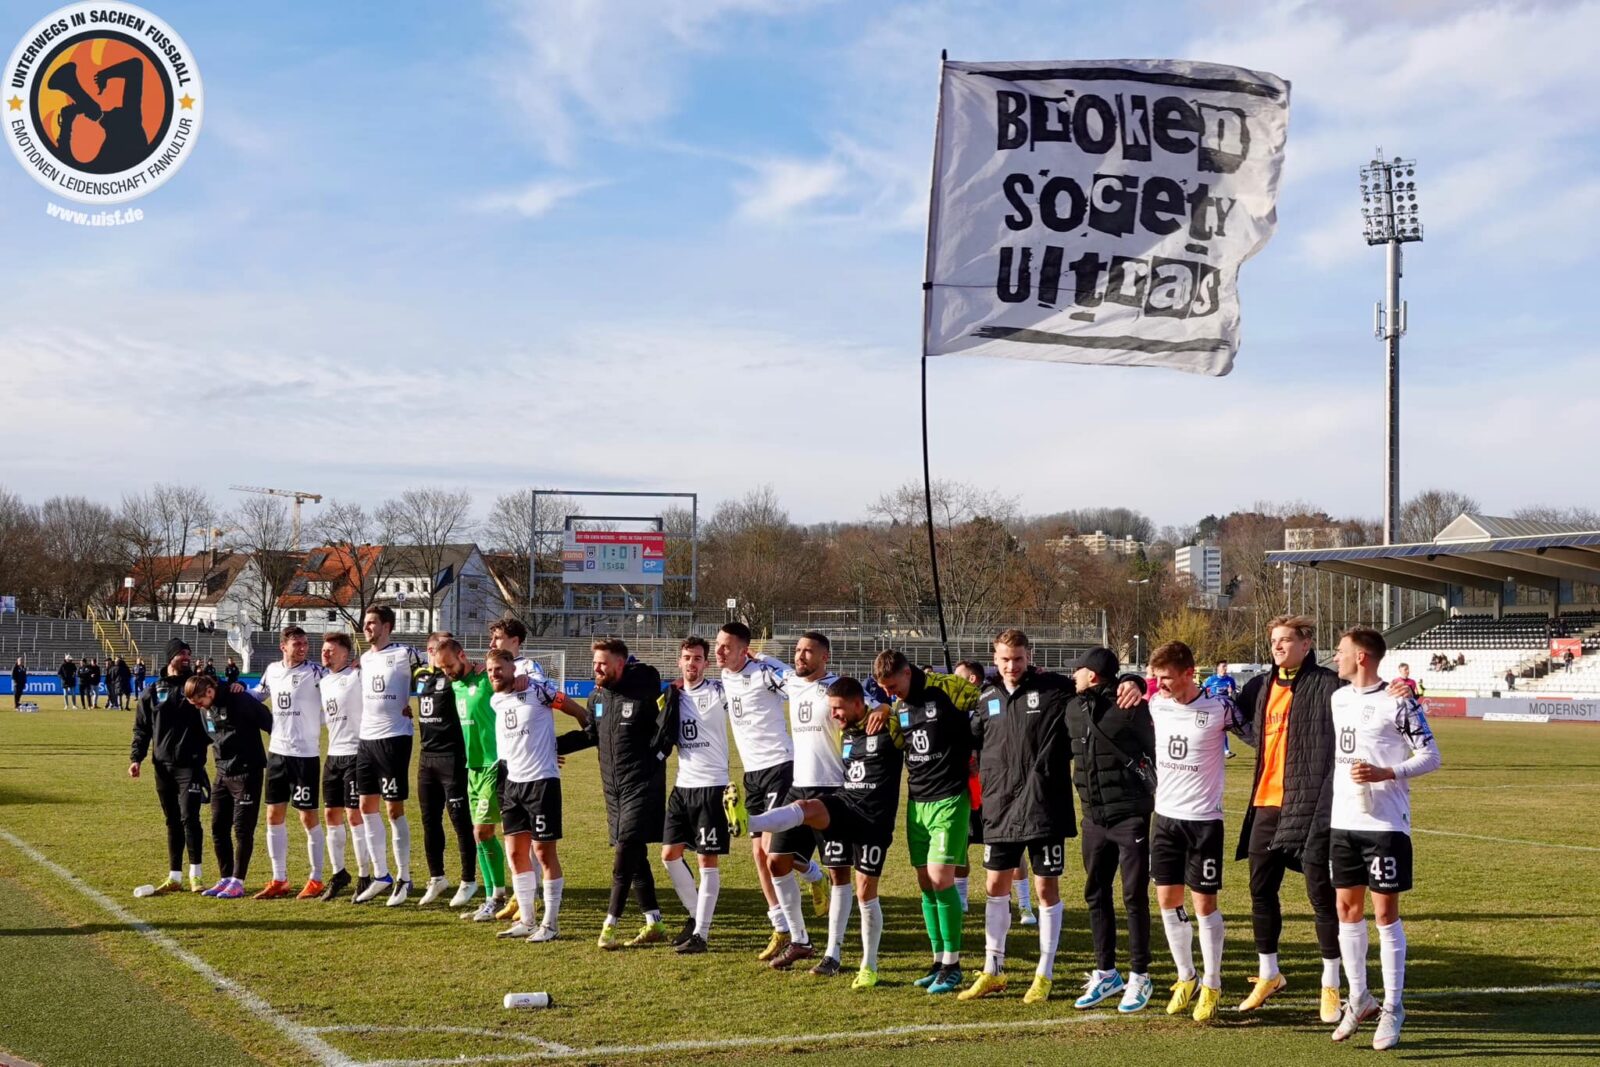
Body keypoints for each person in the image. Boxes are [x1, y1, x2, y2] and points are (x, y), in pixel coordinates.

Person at [959, 629, 1142, 1004]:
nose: (1012, 666)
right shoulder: (986, 697)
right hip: (1000, 809)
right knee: (994, 887)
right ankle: (992, 970)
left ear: (1030, 657)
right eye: (1005, 659)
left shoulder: (1055, 689)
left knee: (1045, 890)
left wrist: (1134, 681)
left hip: (1044, 807)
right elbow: (971, 737)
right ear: (994, 659)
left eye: (1019, 658)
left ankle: (1045, 972)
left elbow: (1099, 682)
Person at [749, 677, 903, 989]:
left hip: (874, 821)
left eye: (837, 709)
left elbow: (908, 710)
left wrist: (888, 708)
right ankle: (751, 822)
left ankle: (868, 965)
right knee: (808, 810)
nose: (833, 715)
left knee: (864, 892)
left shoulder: (889, 727)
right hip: (844, 803)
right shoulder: (846, 733)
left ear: (859, 703)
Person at [1328, 627, 1441, 1051]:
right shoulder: (1338, 698)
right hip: (1343, 819)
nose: (1335, 657)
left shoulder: (1399, 701)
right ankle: (1359, 998)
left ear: (1361, 657)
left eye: (1340, 651)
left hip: (1385, 824)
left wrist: (1385, 772)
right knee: (1345, 909)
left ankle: (1394, 1006)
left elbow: (1431, 755)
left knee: (1384, 915)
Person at [1235, 615, 1346, 1022]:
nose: (1278, 647)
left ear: (1306, 643)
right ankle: (1269, 974)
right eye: (1274, 641)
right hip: (1265, 803)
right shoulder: (1260, 685)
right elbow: (1244, 725)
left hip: (1310, 806)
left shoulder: (1329, 686)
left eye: (1285, 640)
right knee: (1261, 891)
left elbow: (1363, 708)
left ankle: (1331, 983)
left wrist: (1399, 690)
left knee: (1321, 896)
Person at [1147, 641, 1253, 1024]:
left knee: (1204, 905)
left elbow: (1256, 735)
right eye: (1156, 678)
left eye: (1167, 678)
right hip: (1165, 819)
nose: (1161, 685)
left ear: (1190, 673)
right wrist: (1128, 681)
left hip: (1204, 822)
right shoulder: (1155, 703)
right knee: (1167, 900)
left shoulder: (1219, 707)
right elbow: (1127, 691)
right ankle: (1186, 977)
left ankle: (1212, 982)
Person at [761, 632, 869, 973]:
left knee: (839, 873)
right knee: (776, 860)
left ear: (826, 657)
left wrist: (880, 710)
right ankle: (800, 940)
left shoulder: (839, 687)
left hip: (834, 790)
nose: (800, 656)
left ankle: (833, 954)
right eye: (797, 651)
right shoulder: (791, 683)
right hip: (798, 788)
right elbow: (769, 666)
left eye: (809, 651)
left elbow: (871, 705)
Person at [873, 649, 978, 995]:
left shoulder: (948, 687)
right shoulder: (898, 706)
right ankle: (938, 961)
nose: (890, 693)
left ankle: (954, 964)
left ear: (906, 673)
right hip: (917, 802)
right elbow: (897, 741)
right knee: (924, 880)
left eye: (892, 686)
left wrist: (974, 744)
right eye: (883, 689)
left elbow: (990, 702)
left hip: (950, 797)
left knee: (940, 876)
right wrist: (883, 709)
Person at [562, 638, 673, 950]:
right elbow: (591, 735)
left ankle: (610, 925)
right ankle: (655, 922)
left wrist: (658, 758)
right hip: (612, 787)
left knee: (624, 853)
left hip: (642, 784)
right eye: (595, 662)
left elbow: (668, 724)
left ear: (621, 664)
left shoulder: (644, 686)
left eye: (603, 663)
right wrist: (549, 746)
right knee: (635, 856)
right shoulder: (597, 696)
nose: (597, 668)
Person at [1067, 647, 1158, 1014]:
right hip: (1093, 819)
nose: (1073, 675)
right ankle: (1106, 973)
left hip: (1130, 816)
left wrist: (1135, 683)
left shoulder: (1131, 707)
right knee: (1096, 893)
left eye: (1078, 670)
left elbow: (1156, 749)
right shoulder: (1072, 707)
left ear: (1093, 674)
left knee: (1134, 896)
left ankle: (1141, 974)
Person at [716, 622, 808, 961]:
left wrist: (773, 661)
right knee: (758, 855)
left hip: (780, 768)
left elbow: (798, 685)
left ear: (744, 649)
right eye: (718, 645)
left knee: (770, 851)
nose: (720, 652)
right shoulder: (725, 677)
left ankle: (797, 931)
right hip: (752, 774)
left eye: (727, 646)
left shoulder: (764, 672)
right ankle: (781, 926)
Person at [488, 648, 588, 942]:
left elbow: (576, 710)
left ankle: (551, 924)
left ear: (513, 669)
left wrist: (591, 732)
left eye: (500, 669)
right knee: (516, 853)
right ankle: (528, 920)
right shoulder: (496, 700)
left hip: (541, 783)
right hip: (512, 784)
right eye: (491, 670)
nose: (495, 674)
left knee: (544, 853)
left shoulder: (540, 690)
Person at [660, 636, 732, 955]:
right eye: (687, 657)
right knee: (669, 855)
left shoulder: (718, 692)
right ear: (680, 661)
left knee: (706, 860)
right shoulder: (671, 694)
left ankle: (701, 933)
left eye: (698, 658)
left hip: (712, 786)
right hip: (682, 786)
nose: (692, 663)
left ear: (706, 663)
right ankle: (694, 916)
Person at [352, 606, 423, 905]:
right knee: (366, 807)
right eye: (365, 623)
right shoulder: (365, 659)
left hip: (394, 738)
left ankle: (405, 877)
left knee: (394, 810)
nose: (367, 628)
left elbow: (435, 674)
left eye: (372, 623)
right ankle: (381, 875)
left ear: (387, 626)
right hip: (366, 740)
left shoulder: (407, 653)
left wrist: (415, 704)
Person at [128, 639, 211, 894]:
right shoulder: (153, 691)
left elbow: (213, 713)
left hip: (190, 765)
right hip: (162, 766)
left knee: (190, 818)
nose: (187, 657)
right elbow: (142, 728)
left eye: (189, 653)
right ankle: (175, 876)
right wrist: (136, 758)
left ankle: (196, 874)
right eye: (182, 653)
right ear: (170, 657)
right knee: (172, 820)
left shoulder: (197, 686)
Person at [253, 626, 328, 900]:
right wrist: (234, 693)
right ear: (283, 646)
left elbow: (339, 692)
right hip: (277, 753)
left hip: (305, 755)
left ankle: (316, 878)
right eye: (297, 644)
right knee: (273, 815)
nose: (303, 648)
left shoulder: (316, 672)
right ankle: (279, 879)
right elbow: (257, 696)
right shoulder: (272, 670)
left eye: (305, 644)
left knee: (307, 816)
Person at [439, 639, 510, 920]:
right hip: (473, 768)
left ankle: (498, 895)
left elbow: (509, 672)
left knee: (483, 832)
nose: (447, 672)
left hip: (495, 764)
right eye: (442, 668)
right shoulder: (455, 683)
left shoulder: (486, 678)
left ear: (462, 655)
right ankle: (493, 896)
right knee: (478, 835)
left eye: (450, 665)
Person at [188, 673, 273, 899]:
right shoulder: (203, 709)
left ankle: (238, 880)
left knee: (242, 829)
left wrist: (281, 757)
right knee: (218, 826)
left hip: (247, 773)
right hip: (222, 773)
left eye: (199, 701)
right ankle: (225, 877)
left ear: (209, 691)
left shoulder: (240, 700)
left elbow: (270, 723)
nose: (198, 707)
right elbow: (210, 737)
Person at [413, 631, 477, 907]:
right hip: (426, 759)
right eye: (429, 649)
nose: (432, 654)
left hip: (452, 758)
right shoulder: (422, 677)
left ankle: (468, 880)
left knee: (461, 822)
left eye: (437, 649)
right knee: (429, 821)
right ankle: (437, 878)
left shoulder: (458, 679)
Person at [316, 631, 372, 901]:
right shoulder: (325, 681)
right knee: (331, 817)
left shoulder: (357, 676)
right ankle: (339, 873)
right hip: (333, 756)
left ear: (345, 653)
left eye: (331, 650)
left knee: (354, 816)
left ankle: (365, 875)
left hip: (355, 754)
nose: (325, 653)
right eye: (324, 649)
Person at [1200, 662, 1239, 759]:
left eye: (1226, 666)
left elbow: (1233, 694)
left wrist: (1231, 693)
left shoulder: (1230, 680)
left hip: (1225, 708)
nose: (1225, 668)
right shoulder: (1211, 679)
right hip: (1214, 707)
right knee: (1211, 729)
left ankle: (1226, 751)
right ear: (1218, 668)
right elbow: (1202, 689)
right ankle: (1206, 750)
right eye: (1223, 666)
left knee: (1222, 730)